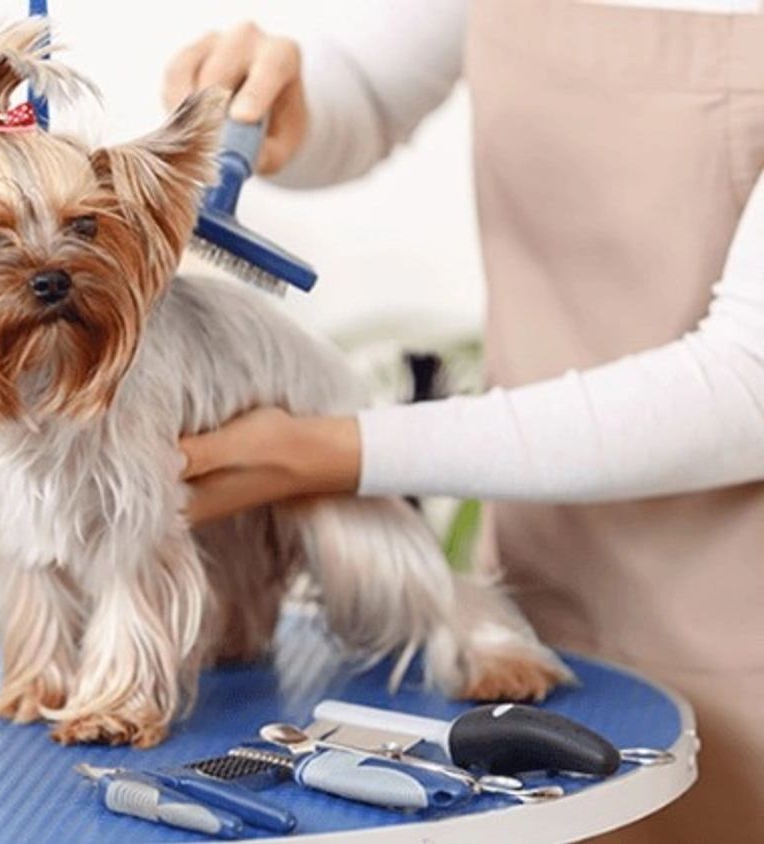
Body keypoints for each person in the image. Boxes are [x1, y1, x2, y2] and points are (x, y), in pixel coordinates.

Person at [163, 2, 764, 841]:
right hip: (538, 596)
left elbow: (749, 384)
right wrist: (292, 101)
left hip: (743, 622)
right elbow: (370, 92)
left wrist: (339, 452)